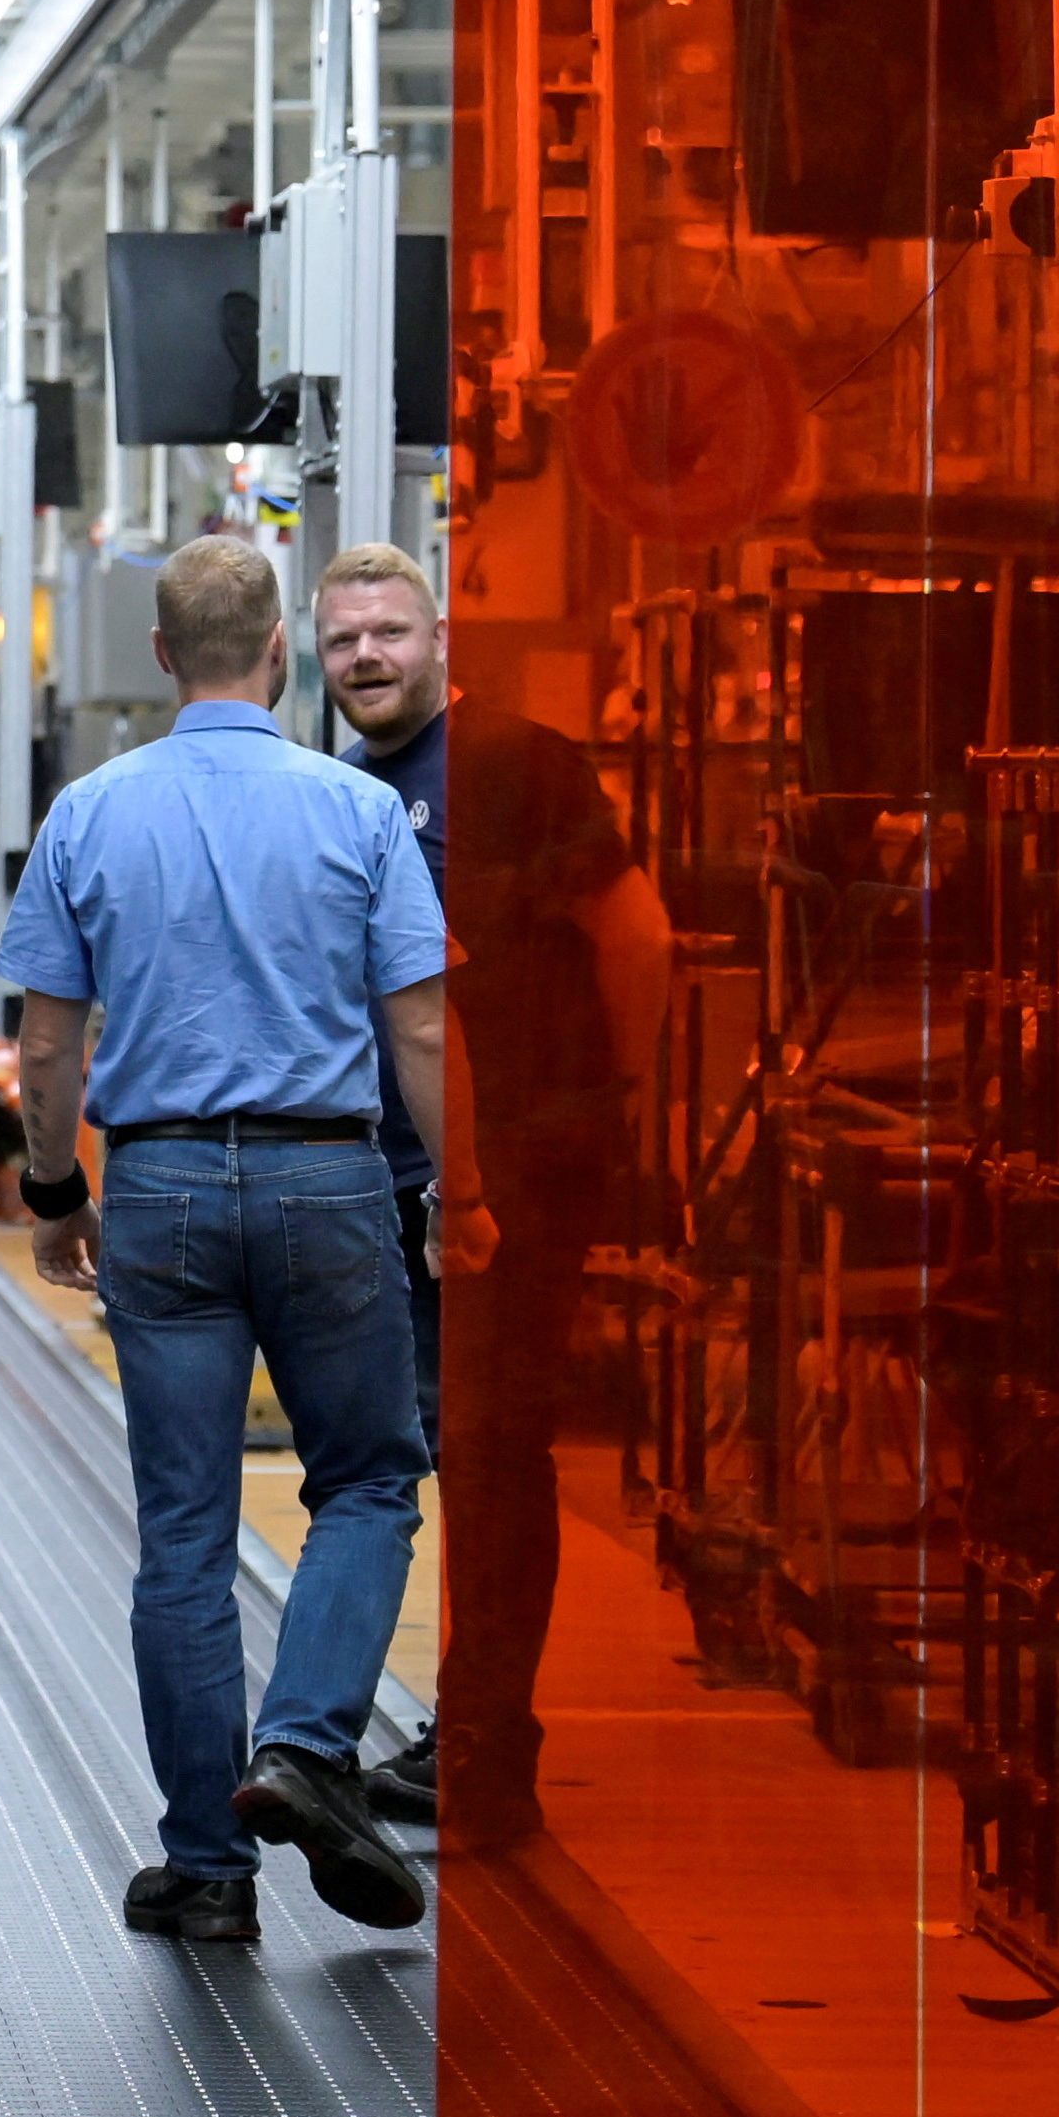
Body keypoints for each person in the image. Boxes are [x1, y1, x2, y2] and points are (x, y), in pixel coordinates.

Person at [2, 533, 471, 1947]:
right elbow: (425, 1023)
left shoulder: (88, 812)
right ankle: (309, 1746)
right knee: (375, 1476)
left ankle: (207, 1866)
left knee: (187, 1535)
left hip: (155, 1196)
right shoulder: (359, 810)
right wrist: (458, 1187)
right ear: (281, 650)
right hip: (333, 1182)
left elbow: (43, 1040)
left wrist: (50, 1191)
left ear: (159, 656)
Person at [311, 543, 666, 1852]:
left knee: (497, 1456)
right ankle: (462, 1728)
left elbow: (638, 935)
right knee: (442, 1447)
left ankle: (490, 1759)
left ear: (440, 634)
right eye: (344, 636)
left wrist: (609, 1104)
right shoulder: (352, 788)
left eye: (389, 630)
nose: (366, 655)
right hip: (416, 1179)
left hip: (517, 1172)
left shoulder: (514, 761)